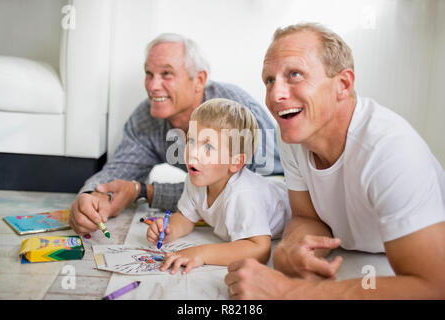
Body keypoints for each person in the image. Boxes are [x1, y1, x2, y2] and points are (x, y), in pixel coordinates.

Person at [224, 23, 445, 299]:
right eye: (269, 80)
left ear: (343, 84)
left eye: (294, 74)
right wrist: (292, 249)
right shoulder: (295, 135)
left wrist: (289, 291)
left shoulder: (389, 149)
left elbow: (433, 286)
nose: (275, 95)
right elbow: (307, 216)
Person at [69, 33, 283, 235]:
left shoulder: (236, 112)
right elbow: (119, 171)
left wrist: (144, 191)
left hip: (278, 196)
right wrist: (89, 196)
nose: (153, 86)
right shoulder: (146, 118)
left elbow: (241, 188)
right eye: (149, 74)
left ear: (199, 80)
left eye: (167, 74)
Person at [146, 98, 291, 274]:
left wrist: (201, 253)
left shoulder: (244, 195)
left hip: (288, 197)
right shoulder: (196, 180)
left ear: (235, 163)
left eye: (208, 146)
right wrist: (169, 230)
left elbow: (259, 249)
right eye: (191, 140)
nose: (193, 152)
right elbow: (185, 217)